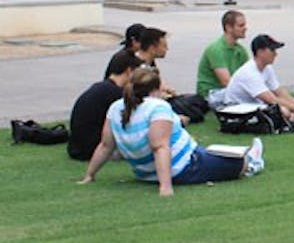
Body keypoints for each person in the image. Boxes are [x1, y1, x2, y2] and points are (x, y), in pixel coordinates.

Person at [79, 68, 265, 196]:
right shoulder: (157, 107)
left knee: (209, 152)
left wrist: (90, 175)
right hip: (183, 167)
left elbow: (105, 146)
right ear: (154, 89)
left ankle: (241, 152)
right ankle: (252, 159)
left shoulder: (116, 107)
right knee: (238, 164)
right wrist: (165, 187)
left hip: (145, 172)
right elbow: (160, 147)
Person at [224, 34, 294, 124]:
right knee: (284, 111)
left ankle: (292, 118)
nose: (276, 54)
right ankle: (291, 118)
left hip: (255, 105)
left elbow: (279, 91)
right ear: (260, 52)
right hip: (237, 109)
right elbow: (272, 99)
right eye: (272, 50)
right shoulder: (249, 73)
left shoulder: (267, 67)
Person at [68, 50, 143, 161]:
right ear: (129, 71)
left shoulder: (102, 88)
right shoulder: (116, 95)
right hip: (92, 149)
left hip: (77, 147)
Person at [195, 10, 249, 107]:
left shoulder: (241, 50)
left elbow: (250, 76)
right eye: (241, 26)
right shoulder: (216, 49)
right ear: (228, 27)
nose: (245, 28)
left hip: (229, 91)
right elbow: (226, 82)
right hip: (211, 94)